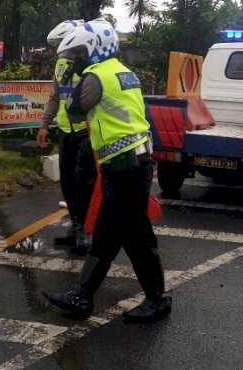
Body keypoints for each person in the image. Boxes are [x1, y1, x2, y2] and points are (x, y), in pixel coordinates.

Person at [42, 18, 172, 322]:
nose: (76, 60)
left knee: (137, 236)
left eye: (79, 54)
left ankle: (157, 300)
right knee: (106, 235)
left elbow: (74, 110)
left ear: (93, 49)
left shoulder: (96, 77)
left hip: (125, 166)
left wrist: (76, 78)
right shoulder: (124, 73)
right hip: (129, 164)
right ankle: (82, 296)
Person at [36, 19, 95, 254]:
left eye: (62, 44)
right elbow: (54, 96)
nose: (59, 50)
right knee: (68, 183)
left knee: (83, 182)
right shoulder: (61, 64)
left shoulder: (91, 65)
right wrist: (44, 125)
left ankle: (84, 232)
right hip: (65, 130)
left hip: (85, 132)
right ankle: (75, 226)